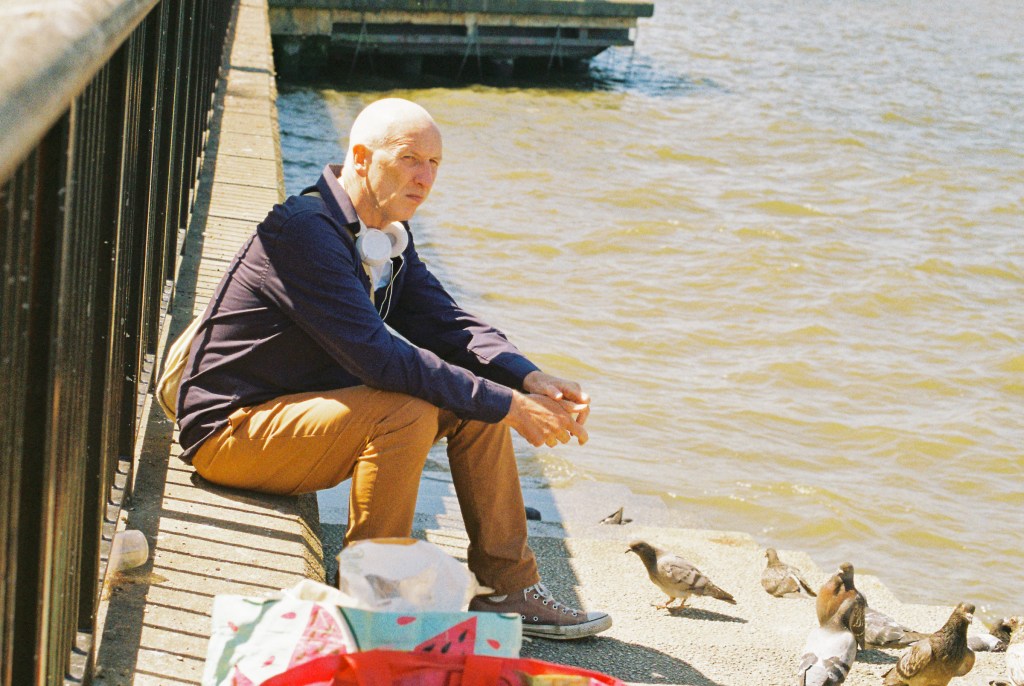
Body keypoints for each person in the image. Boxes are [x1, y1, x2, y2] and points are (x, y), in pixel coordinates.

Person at [176, 98, 611, 640]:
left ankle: (509, 589)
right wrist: (509, 404)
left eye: (434, 163)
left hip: (301, 420)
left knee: (476, 406)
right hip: (230, 431)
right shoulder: (305, 231)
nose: (424, 178)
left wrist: (526, 379)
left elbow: (445, 321)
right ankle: (372, 604)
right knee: (407, 411)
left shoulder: (385, 235)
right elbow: (379, 358)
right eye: (409, 159)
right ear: (361, 158)